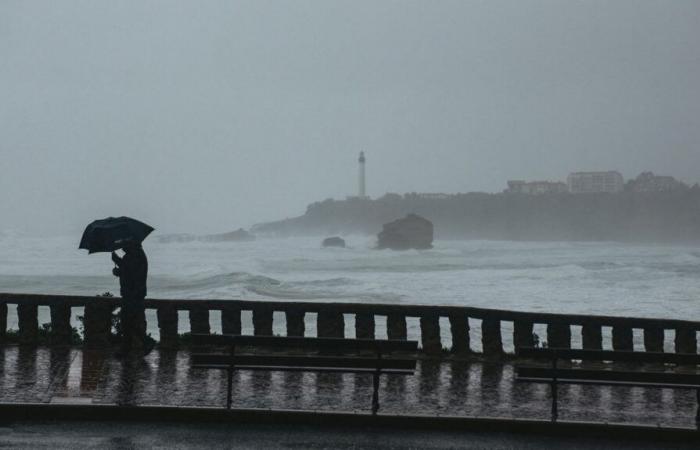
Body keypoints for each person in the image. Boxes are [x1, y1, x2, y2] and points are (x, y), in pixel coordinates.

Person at [112, 241, 153, 356]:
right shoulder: (135, 255)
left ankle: (132, 346)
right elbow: (128, 271)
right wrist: (118, 268)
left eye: (124, 244)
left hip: (133, 294)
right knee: (130, 322)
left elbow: (129, 272)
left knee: (127, 321)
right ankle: (140, 344)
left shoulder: (135, 255)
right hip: (133, 293)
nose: (122, 247)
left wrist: (117, 261)